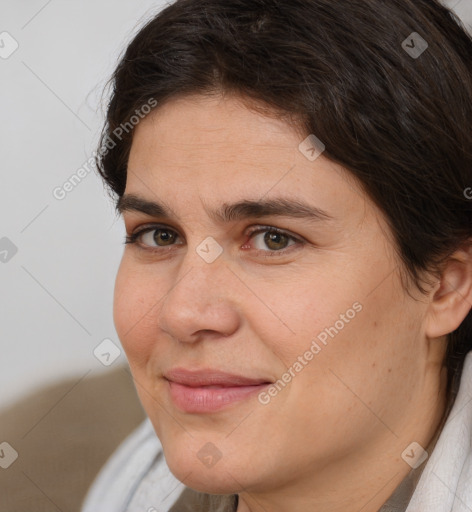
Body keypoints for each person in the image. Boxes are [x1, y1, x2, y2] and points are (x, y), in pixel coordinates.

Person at [82, 0, 472, 510]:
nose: (181, 314)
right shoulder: (131, 486)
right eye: (158, 235)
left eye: (273, 239)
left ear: (448, 284)